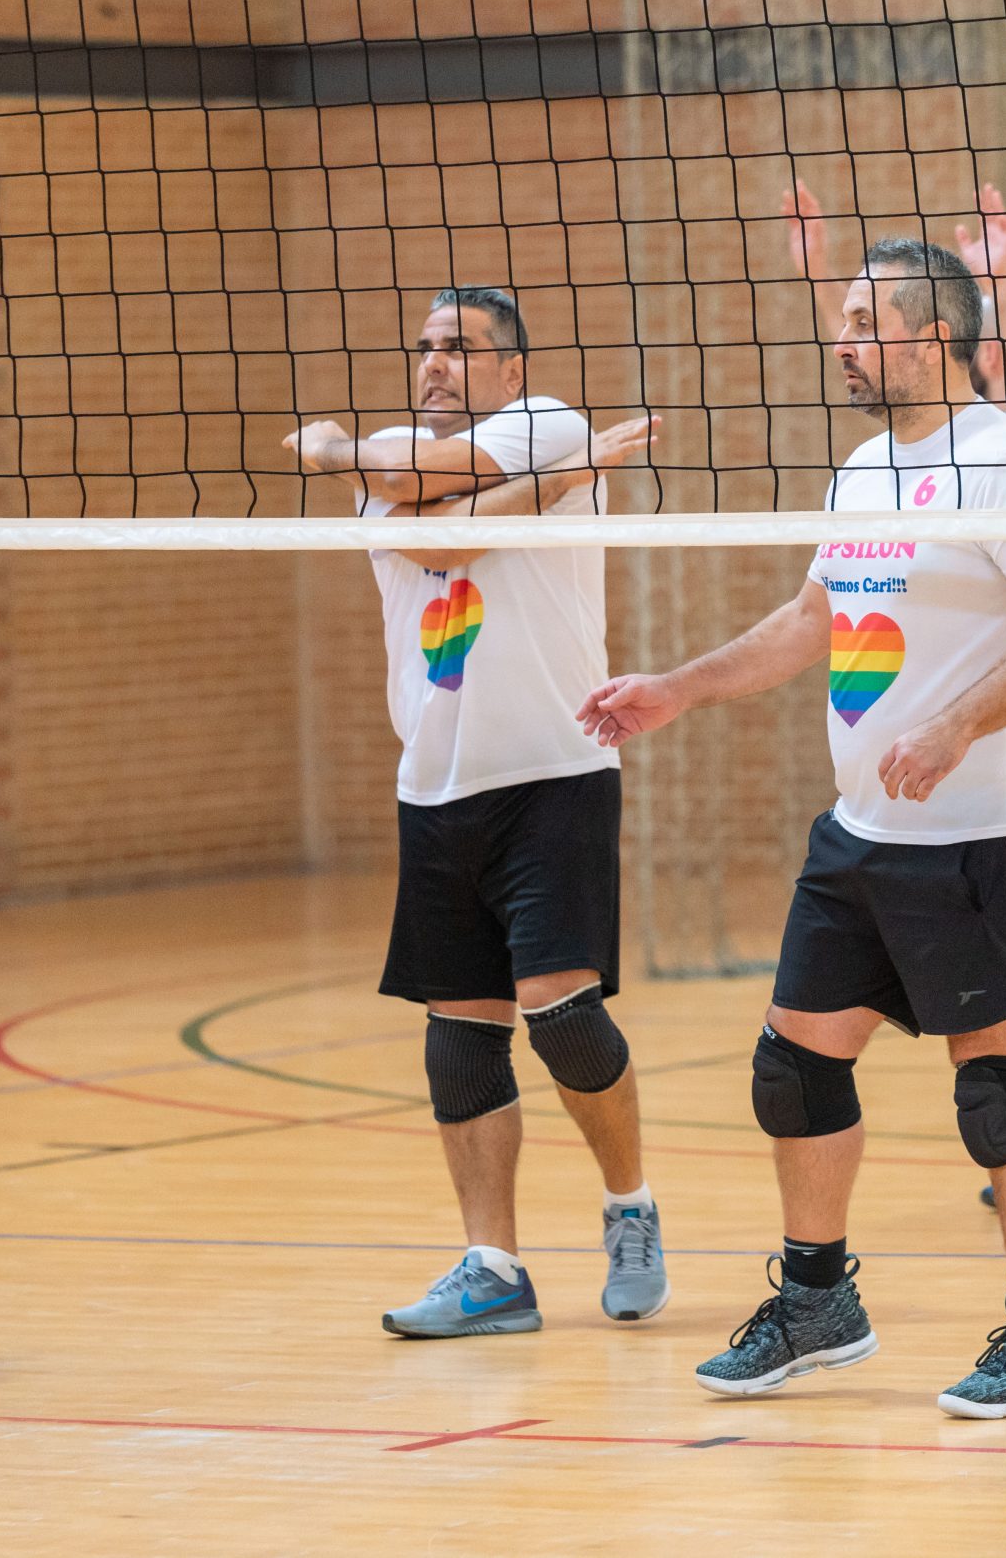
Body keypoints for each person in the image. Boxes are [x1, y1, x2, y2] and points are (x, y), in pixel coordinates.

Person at [580, 241, 1006, 1417]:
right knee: (795, 1062)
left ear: (935, 336)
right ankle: (818, 1300)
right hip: (863, 829)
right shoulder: (865, 467)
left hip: (982, 832)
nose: (843, 341)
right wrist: (677, 687)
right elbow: (811, 617)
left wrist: (958, 724)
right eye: (844, 319)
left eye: (866, 321)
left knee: (998, 1087)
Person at [283, 286, 668, 1338]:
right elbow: (429, 531)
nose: (436, 362)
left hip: (554, 768)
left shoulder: (548, 422)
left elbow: (436, 522)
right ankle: (492, 1265)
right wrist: (544, 490)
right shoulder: (392, 464)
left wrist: (333, 449)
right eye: (425, 346)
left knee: (561, 1010)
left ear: (510, 369)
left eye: (460, 347)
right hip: (436, 782)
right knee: (460, 1032)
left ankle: (630, 1204)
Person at [784, 180, 1006, 1206]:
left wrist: (1001, 282)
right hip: (968, 722)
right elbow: (881, 343)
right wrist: (824, 277)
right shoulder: (922, 450)